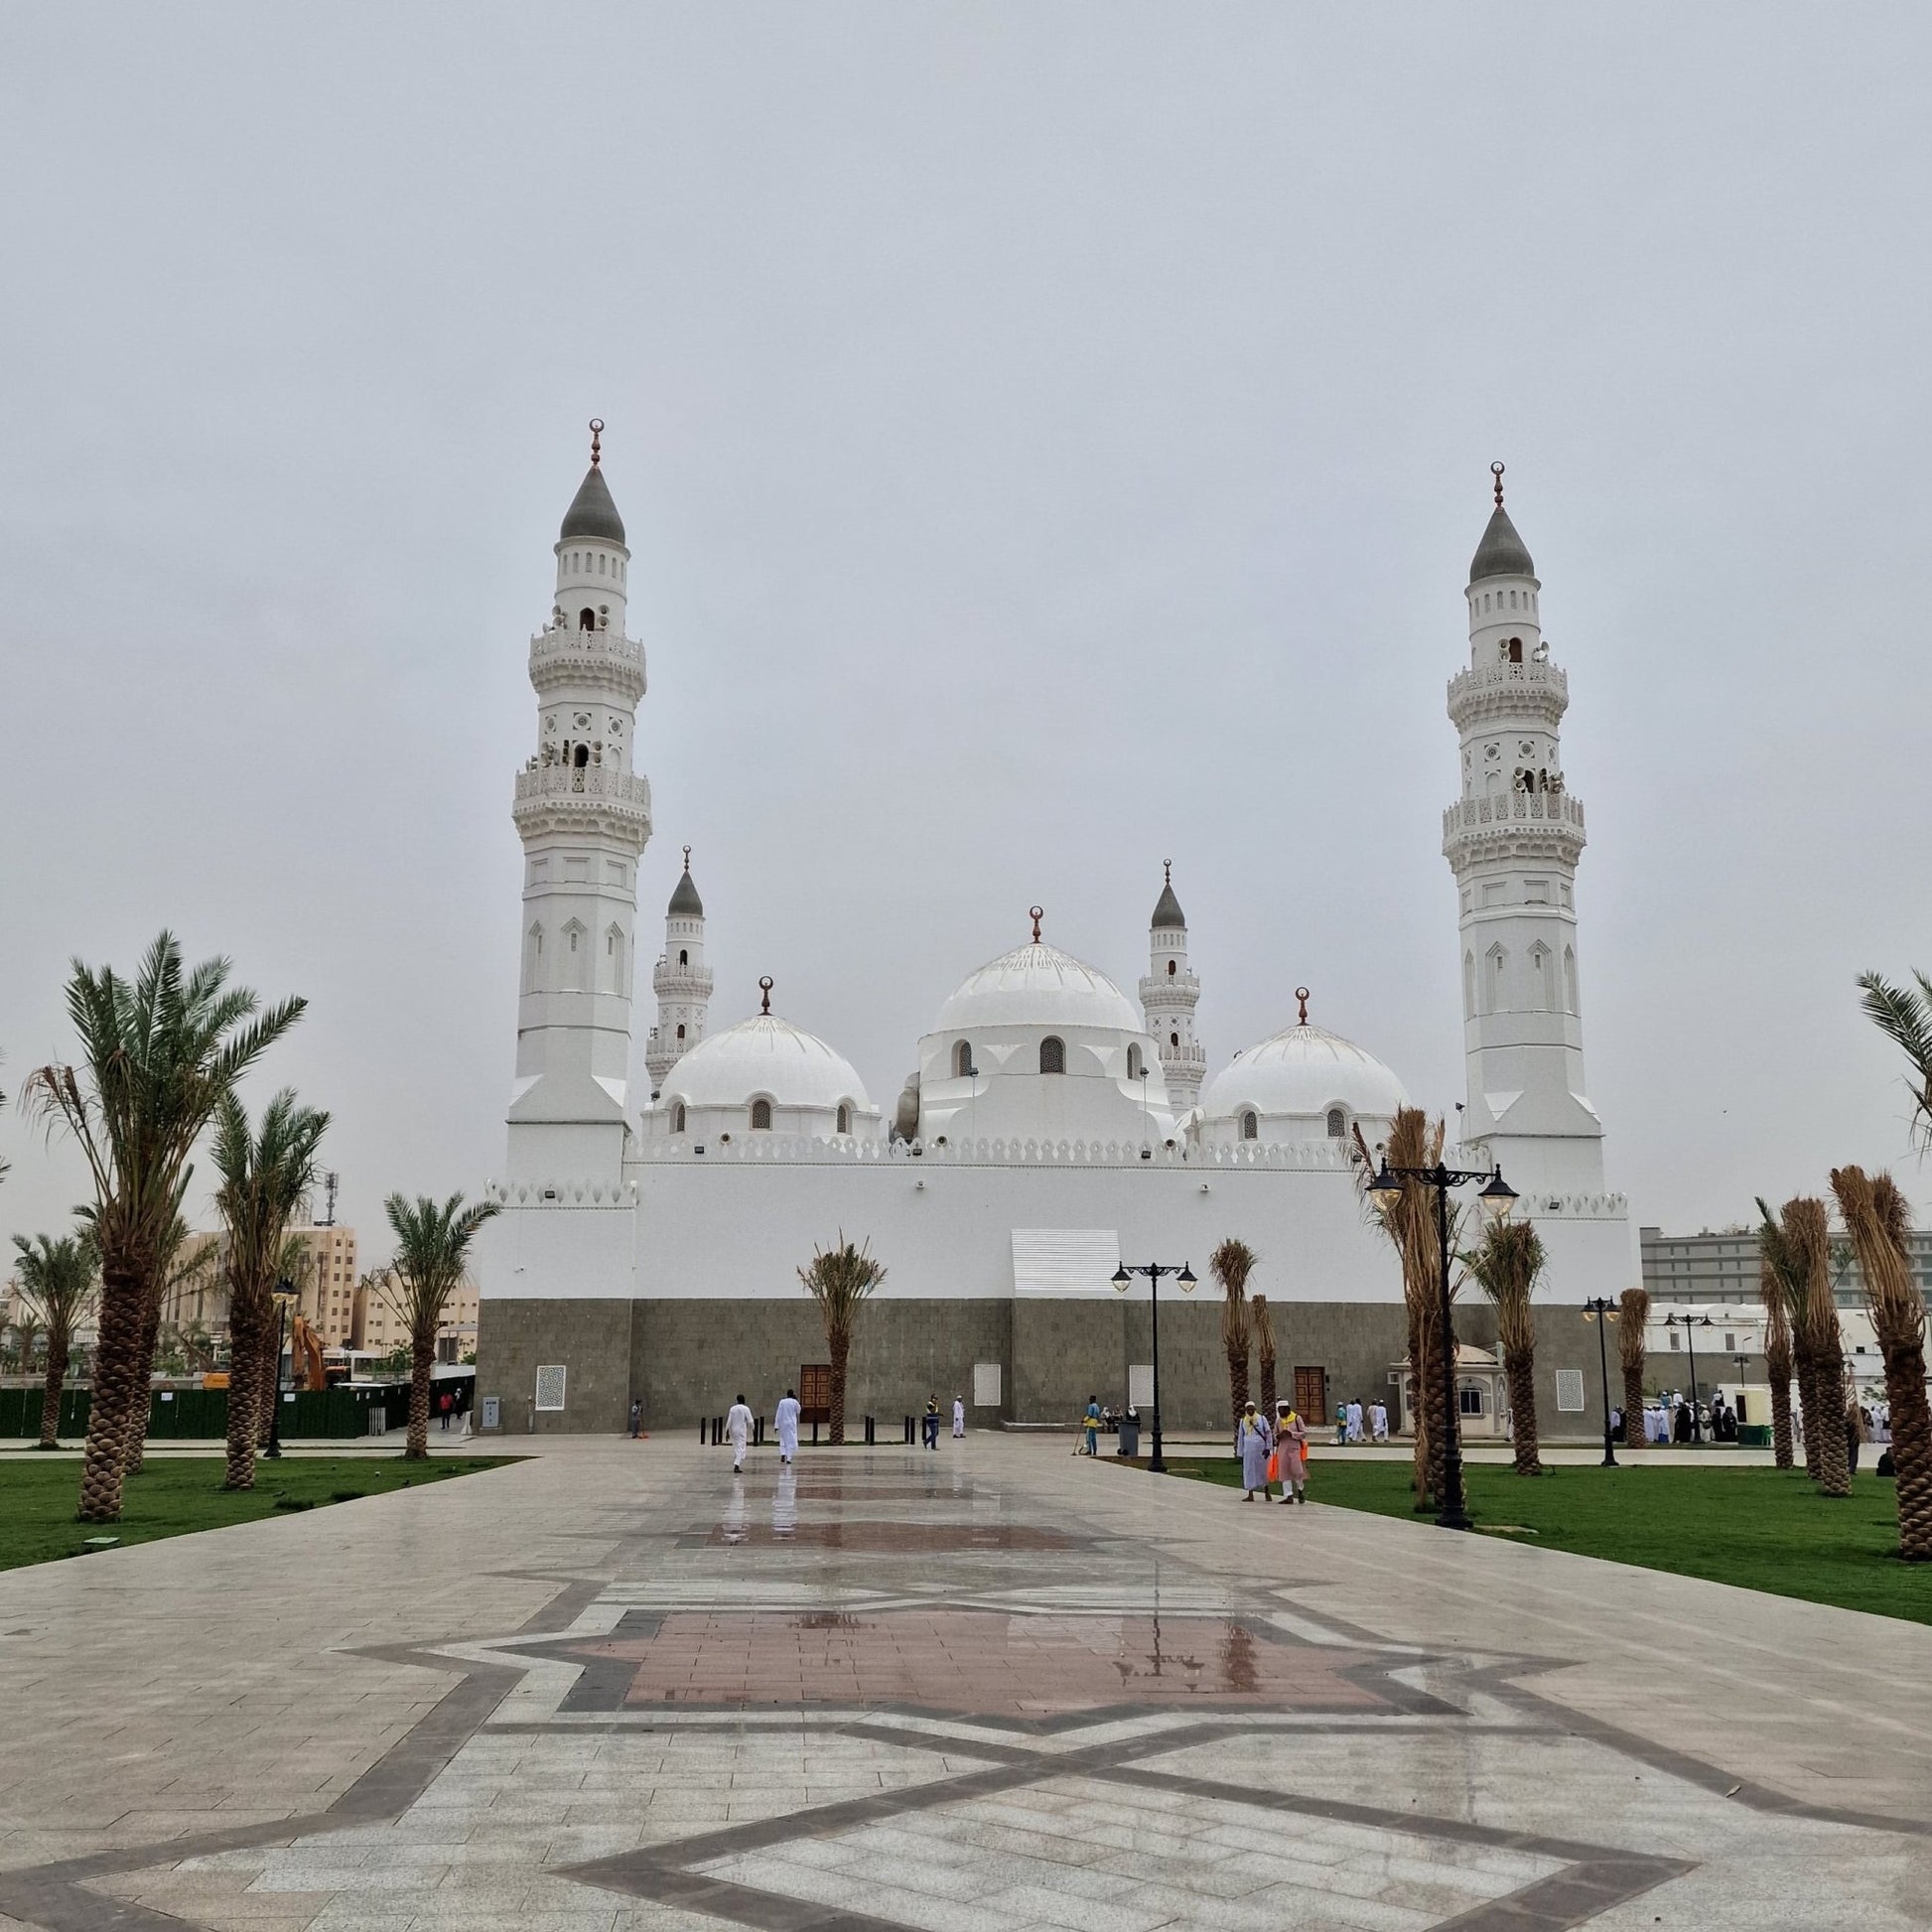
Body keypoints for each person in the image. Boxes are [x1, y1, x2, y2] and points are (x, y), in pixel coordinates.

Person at [1236, 1400, 1272, 1500]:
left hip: (1261, 1448)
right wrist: (1240, 1452)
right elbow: (1241, 1437)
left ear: (1255, 1409)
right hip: (1248, 1449)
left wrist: (1268, 1447)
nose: (1250, 1411)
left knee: (1263, 1470)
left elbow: (1268, 1433)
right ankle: (1250, 1493)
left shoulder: (1261, 1419)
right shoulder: (1243, 1421)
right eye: (1248, 1409)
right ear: (1246, 1410)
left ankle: (1267, 1492)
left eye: (1252, 1409)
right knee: (1249, 1470)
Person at [1275, 1401, 1310, 1503]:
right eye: (1279, 1410)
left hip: (1294, 1448)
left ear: (1287, 1409)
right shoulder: (1278, 1421)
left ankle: (1300, 1490)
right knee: (1284, 1472)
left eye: (1282, 1409)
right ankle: (1288, 1496)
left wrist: (1292, 1434)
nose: (1281, 1412)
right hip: (1282, 1448)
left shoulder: (1296, 1418)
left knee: (1297, 1471)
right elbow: (1274, 1434)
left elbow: (1304, 1433)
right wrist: (1279, 1436)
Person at [726, 1393, 755, 1473]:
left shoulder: (732, 1409)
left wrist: (727, 1431)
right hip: (741, 1430)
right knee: (741, 1448)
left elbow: (729, 1420)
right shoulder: (745, 1409)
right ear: (744, 1400)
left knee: (736, 1447)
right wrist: (753, 1428)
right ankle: (736, 1465)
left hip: (733, 1430)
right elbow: (750, 1421)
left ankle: (737, 1461)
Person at [774, 1387, 801, 1465]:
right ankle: (789, 1458)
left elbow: (778, 1413)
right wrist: (796, 1401)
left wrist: (776, 1425)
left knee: (783, 1438)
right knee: (790, 1440)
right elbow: (798, 1411)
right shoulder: (794, 1402)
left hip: (783, 1423)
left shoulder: (782, 1402)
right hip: (791, 1424)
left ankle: (783, 1453)